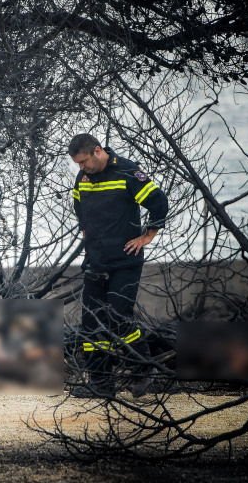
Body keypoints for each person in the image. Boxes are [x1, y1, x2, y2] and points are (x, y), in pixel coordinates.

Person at [67, 134, 168, 398]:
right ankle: (101, 385)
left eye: (84, 161)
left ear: (97, 151)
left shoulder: (127, 172)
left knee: (118, 317)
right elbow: (78, 203)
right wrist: (85, 228)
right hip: (95, 260)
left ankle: (143, 368)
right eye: (77, 164)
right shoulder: (83, 177)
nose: (81, 168)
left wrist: (147, 237)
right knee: (91, 323)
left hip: (125, 261)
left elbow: (158, 202)